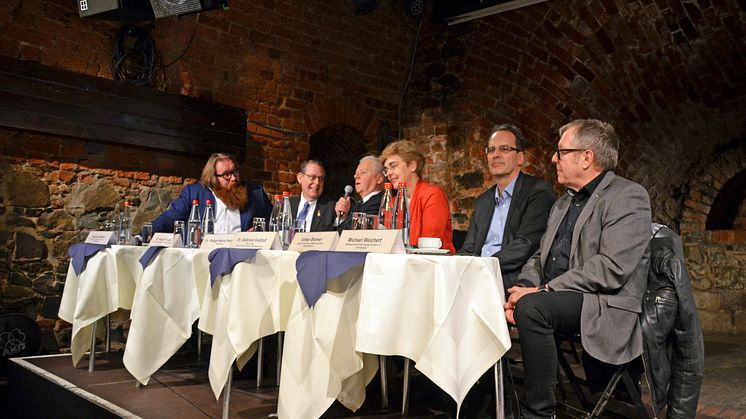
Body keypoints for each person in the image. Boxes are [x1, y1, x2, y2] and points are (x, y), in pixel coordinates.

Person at [504, 119, 652, 419]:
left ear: (587, 157)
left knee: (533, 308)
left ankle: (539, 413)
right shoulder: (563, 204)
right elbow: (538, 257)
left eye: (561, 151)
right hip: (557, 296)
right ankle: (482, 399)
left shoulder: (627, 196)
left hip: (604, 301)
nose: (553, 158)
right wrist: (521, 287)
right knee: (493, 296)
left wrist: (543, 291)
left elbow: (611, 268)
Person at [459, 124, 555, 290]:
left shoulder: (538, 192)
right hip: (477, 274)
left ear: (520, 158)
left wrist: (484, 267)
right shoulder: (483, 200)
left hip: (511, 276)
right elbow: (469, 247)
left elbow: (526, 245)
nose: (496, 155)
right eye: (491, 150)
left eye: (504, 149)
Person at [149, 153, 272, 234]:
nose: (234, 178)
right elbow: (169, 219)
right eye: (226, 175)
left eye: (235, 172)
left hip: (242, 259)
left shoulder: (255, 193)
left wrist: (259, 230)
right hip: (203, 255)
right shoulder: (194, 193)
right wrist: (144, 234)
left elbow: (273, 222)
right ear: (213, 177)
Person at [379, 140, 455, 253]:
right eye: (386, 170)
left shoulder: (432, 195)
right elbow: (384, 240)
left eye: (393, 166)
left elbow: (429, 244)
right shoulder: (393, 202)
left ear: (412, 166)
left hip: (431, 265)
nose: (389, 173)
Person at [334, 155, 386, 231]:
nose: (355, 176)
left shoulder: (379, 203)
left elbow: (349, 233)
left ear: (379, 179)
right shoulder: (358, 204)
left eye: (363, 172)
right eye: (356, 173)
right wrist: (342, 217)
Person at [290, 160, 336, 232]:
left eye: (320, 179)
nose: (317, 183)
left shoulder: (331, 207)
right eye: (312, 177)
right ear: (300, 178)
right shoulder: (288, 205)